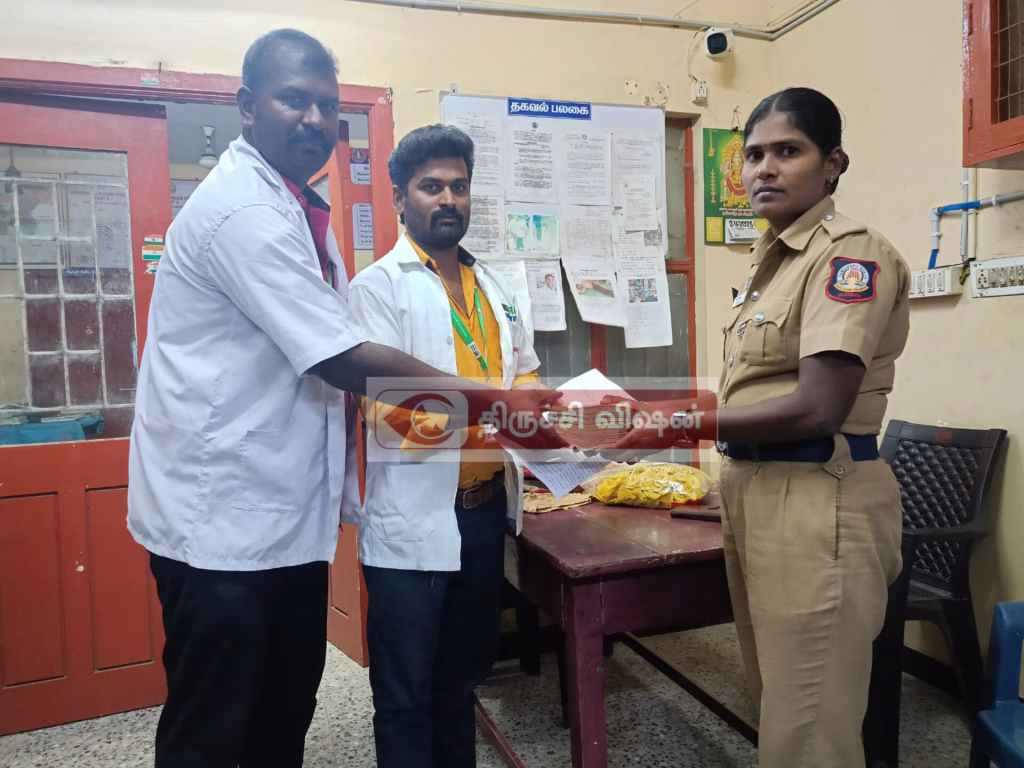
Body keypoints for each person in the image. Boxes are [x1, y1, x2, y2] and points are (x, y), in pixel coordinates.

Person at [127, 31, 563, 768]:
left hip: (287, 512)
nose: (314, 119)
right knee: (217, 726)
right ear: (246, 105)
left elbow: (520, 367)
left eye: (328, 106)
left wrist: (507, 409)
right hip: (223, 519)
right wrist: (494, 407)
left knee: (283, 712)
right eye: (293, 100)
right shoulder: (244, 212)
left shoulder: (298, 206)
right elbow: (343, 359)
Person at [603, 87, 910, 768]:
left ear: (833, 164)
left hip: (819, 497)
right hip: (757, 489)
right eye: (753, 155)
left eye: (788, 151)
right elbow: (757, 388)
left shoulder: (848, 257)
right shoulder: (771, 263)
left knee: (810, 728)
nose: (764, 169)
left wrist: (682, 421)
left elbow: (817, 407)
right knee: (778, 700)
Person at [348, 124, 551, 768]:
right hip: (412, 522)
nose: (448, 200)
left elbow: (524, 370)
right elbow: (386, 414)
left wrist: (538, 408)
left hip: (484, 515)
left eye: (459, 187)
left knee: (463, 677)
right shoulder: (377, 288)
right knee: (405, 692)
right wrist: (493, 416)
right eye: (431, 187)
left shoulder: (493, 285)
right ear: (399, 198)